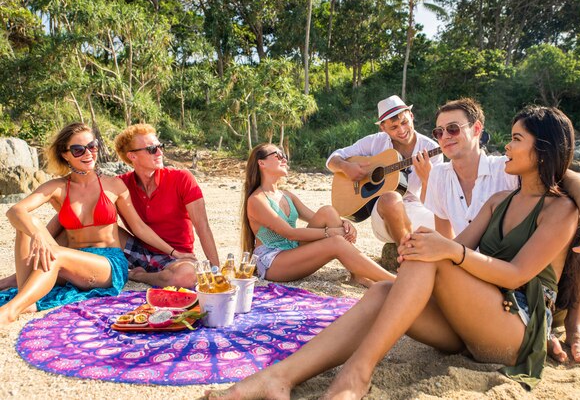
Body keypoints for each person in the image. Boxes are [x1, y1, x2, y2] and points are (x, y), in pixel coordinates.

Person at [208, 106, 580, 399]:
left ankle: (357, 372)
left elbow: (516, 274)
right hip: (470, 319)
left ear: (542, 150)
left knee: (433, 253)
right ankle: (278, 377)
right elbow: (461, 246)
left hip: (515, 328)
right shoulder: (500, 200)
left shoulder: (561, 210)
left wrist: (446, 252)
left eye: (517, 139)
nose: (507, 144)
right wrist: (424, 245)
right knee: (381, 290)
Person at [423, 98, 580, 365]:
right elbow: (447, 239)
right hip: (487, 283)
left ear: (476, 129)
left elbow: (561, 173)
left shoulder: (507, 169)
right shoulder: (439, 176)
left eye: (453, 129)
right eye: (438, 132)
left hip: (535, 285)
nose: (444, 137)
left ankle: (575, 325)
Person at [0, 123, 193, 325]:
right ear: (65, 155)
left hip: (107, 263)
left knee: (55, 253)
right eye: (78, 150)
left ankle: (10, 311)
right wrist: (38, 234)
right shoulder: (57, 187)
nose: (88, 153)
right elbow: (14, 211)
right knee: (26, 223)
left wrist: (174, 253)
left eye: (92, 147)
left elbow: (139, 228)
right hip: (72, 261)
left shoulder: (114, 185)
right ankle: (25, 295)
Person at [242, 143, 395, 286]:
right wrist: (330, 233)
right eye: (278, 155)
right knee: (336, 242)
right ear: (261, 163)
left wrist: (343, 223)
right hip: (273, 262)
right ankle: (395, 281)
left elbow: (317, 216)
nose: (284, 158)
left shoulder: (286, 195)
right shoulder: (257, 200)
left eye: (284, 155)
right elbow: (290, 233)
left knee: (328, 211)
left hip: (293, 252)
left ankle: (357, 275)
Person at [112, 124, 220, 288]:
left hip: (176, 257)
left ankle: (140, 276)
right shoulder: (121, 183)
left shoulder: (181, 178)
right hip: (137, 250)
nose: (160, 152)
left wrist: (216, 270)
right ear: (132, 156)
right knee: (101, 228)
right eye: (152, 149)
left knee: (187, 277)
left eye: (160, 147)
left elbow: (202, 226)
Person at [326, 95, 443, 245]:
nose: (401, 130)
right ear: (383, 127)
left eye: (405, 122)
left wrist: (426, 179)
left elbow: (435, 202)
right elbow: (332, 159)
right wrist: (346, 167)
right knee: (390, 198)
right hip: (382, 215)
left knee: (449, 223)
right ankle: (407, 250)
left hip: (417, 210)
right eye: (394, 127)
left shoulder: (431, 149)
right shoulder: (374, 142)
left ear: (412, 116)